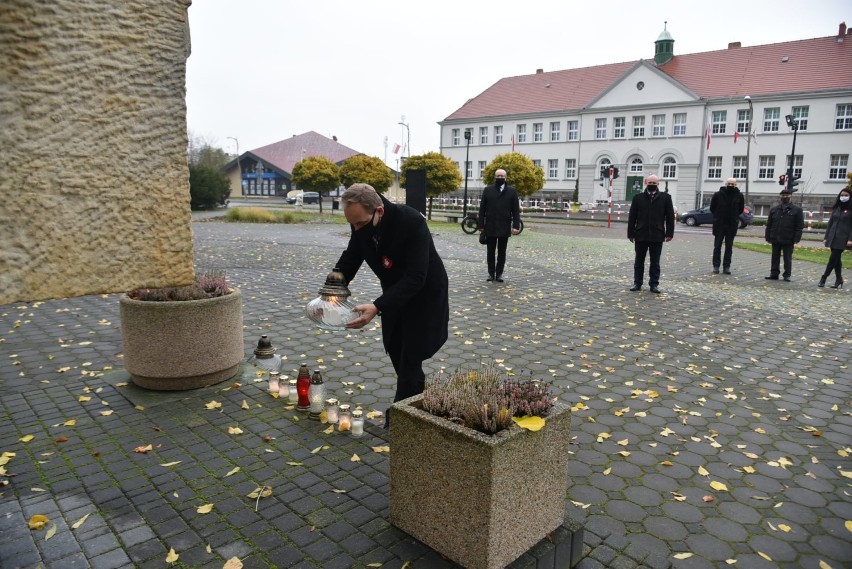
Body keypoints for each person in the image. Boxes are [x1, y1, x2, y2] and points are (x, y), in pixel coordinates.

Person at [332, 183, 449, 410]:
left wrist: (377, 306)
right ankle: (416, 401)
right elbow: (351, 257)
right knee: (396, 349)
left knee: (410, 358)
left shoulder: (411, 222)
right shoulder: (362, 226)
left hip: (424, 297)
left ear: (379, 211)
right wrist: (332, 288)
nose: (356, 230)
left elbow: (416, 276)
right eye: (351, 224)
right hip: (395, 296)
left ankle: (403, 417)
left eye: (360, 224)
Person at [627, 174, 675, 293]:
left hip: (657, 235)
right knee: (639, 261)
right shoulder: (637, 198)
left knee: (655, 262)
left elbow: (669, 217)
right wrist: (630, 233)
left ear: (658, 184)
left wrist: (670, 233)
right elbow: (632, 217)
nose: (652, 185)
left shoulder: (666, 198)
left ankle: (654, 284)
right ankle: (637, 283)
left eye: (654, 183)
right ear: (645, 183)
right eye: (650, 182)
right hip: (640, 234)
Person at [477, 169, 521, 282]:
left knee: (502, 252)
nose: (500, 178)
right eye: (498, 176)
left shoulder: (512, 191)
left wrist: (516, 226)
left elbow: (515, 210)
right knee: (490, 252)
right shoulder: (488, 190)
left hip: (504, 226)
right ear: (495, 177)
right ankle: (491, 274)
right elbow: (482, 209)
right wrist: (481, 225)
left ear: (506, 177)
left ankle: (499, 274)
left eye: (502, 176)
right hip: (490, 226)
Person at [764, 188, 804, 282]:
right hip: (775, 237)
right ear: (780, 196)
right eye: (783, 195)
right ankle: (774, 273)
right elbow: (769, 224)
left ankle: (787, 275)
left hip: (788, 238)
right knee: (775, 257)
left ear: (791, 196)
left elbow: (799, 226)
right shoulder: (774, 209)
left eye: (787, 195)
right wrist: (768, 236)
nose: (785, 197)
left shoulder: (797, 210)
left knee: (787, 258)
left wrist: (796, 238)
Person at [710, 177, 745, 274]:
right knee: (717, 246)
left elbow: (740, 210)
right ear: (726, 184)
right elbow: (713, 208)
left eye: (732, 184)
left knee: (729, 247)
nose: (730, 185)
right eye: (729, 183)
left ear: (735, 185)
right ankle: (716, 266)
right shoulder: (718, 195)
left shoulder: (739, 196)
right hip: (719, 224)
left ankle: (727, 266)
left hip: (731, 225)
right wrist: (718, 216)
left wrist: (734, 217)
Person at [819, 188, 852, 289]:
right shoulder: (836, 208)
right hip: (832, 237)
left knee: (833, 258)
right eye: (842, 195)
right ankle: (839, 279)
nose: (843, 197)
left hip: (843, 238)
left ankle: (824, 277)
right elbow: (830, 223)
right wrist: (826, 237)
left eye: (846, 195)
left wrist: (850, 239)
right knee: (837, 259)